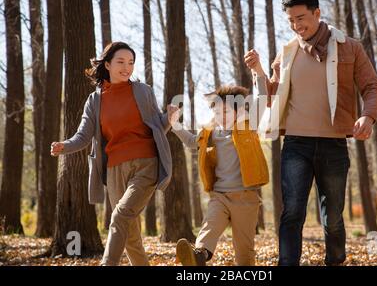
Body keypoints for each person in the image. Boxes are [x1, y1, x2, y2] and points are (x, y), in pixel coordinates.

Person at [244, 0, 377, 266]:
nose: (297, 26)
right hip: (296, 144)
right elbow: (271, 96)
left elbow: (372, 87)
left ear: (317, 13)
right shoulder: (287, 53)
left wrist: (367, 116)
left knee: (332, 216)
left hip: (333, 144)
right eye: (291, 21)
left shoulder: (350, 47)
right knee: (292, 212)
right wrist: (258, 70)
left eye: (301, 18)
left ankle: (335, 260)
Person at [50, 41, 177, 266]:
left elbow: (157, 126)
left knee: (120, 217)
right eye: (121, 62)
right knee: (130, 235)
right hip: (114, 170)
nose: (126, 67)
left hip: (146, 164)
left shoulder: (142, 91)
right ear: (107, 64)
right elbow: (83, 135)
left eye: (131, 63)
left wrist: (169, 118)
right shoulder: (95, 100)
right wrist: (65, 146)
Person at [169, 85, 269, 266]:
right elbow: (192, 142)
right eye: (217, 112)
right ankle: (198, 256)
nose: (221, 116)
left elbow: (262, 95)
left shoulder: (249, 125)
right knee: (209, 228)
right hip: (220, 196)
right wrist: (175, 124)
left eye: (226, 111)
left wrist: (258, 72)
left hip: (246, 198)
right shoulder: (212, 133)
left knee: (244, 251)